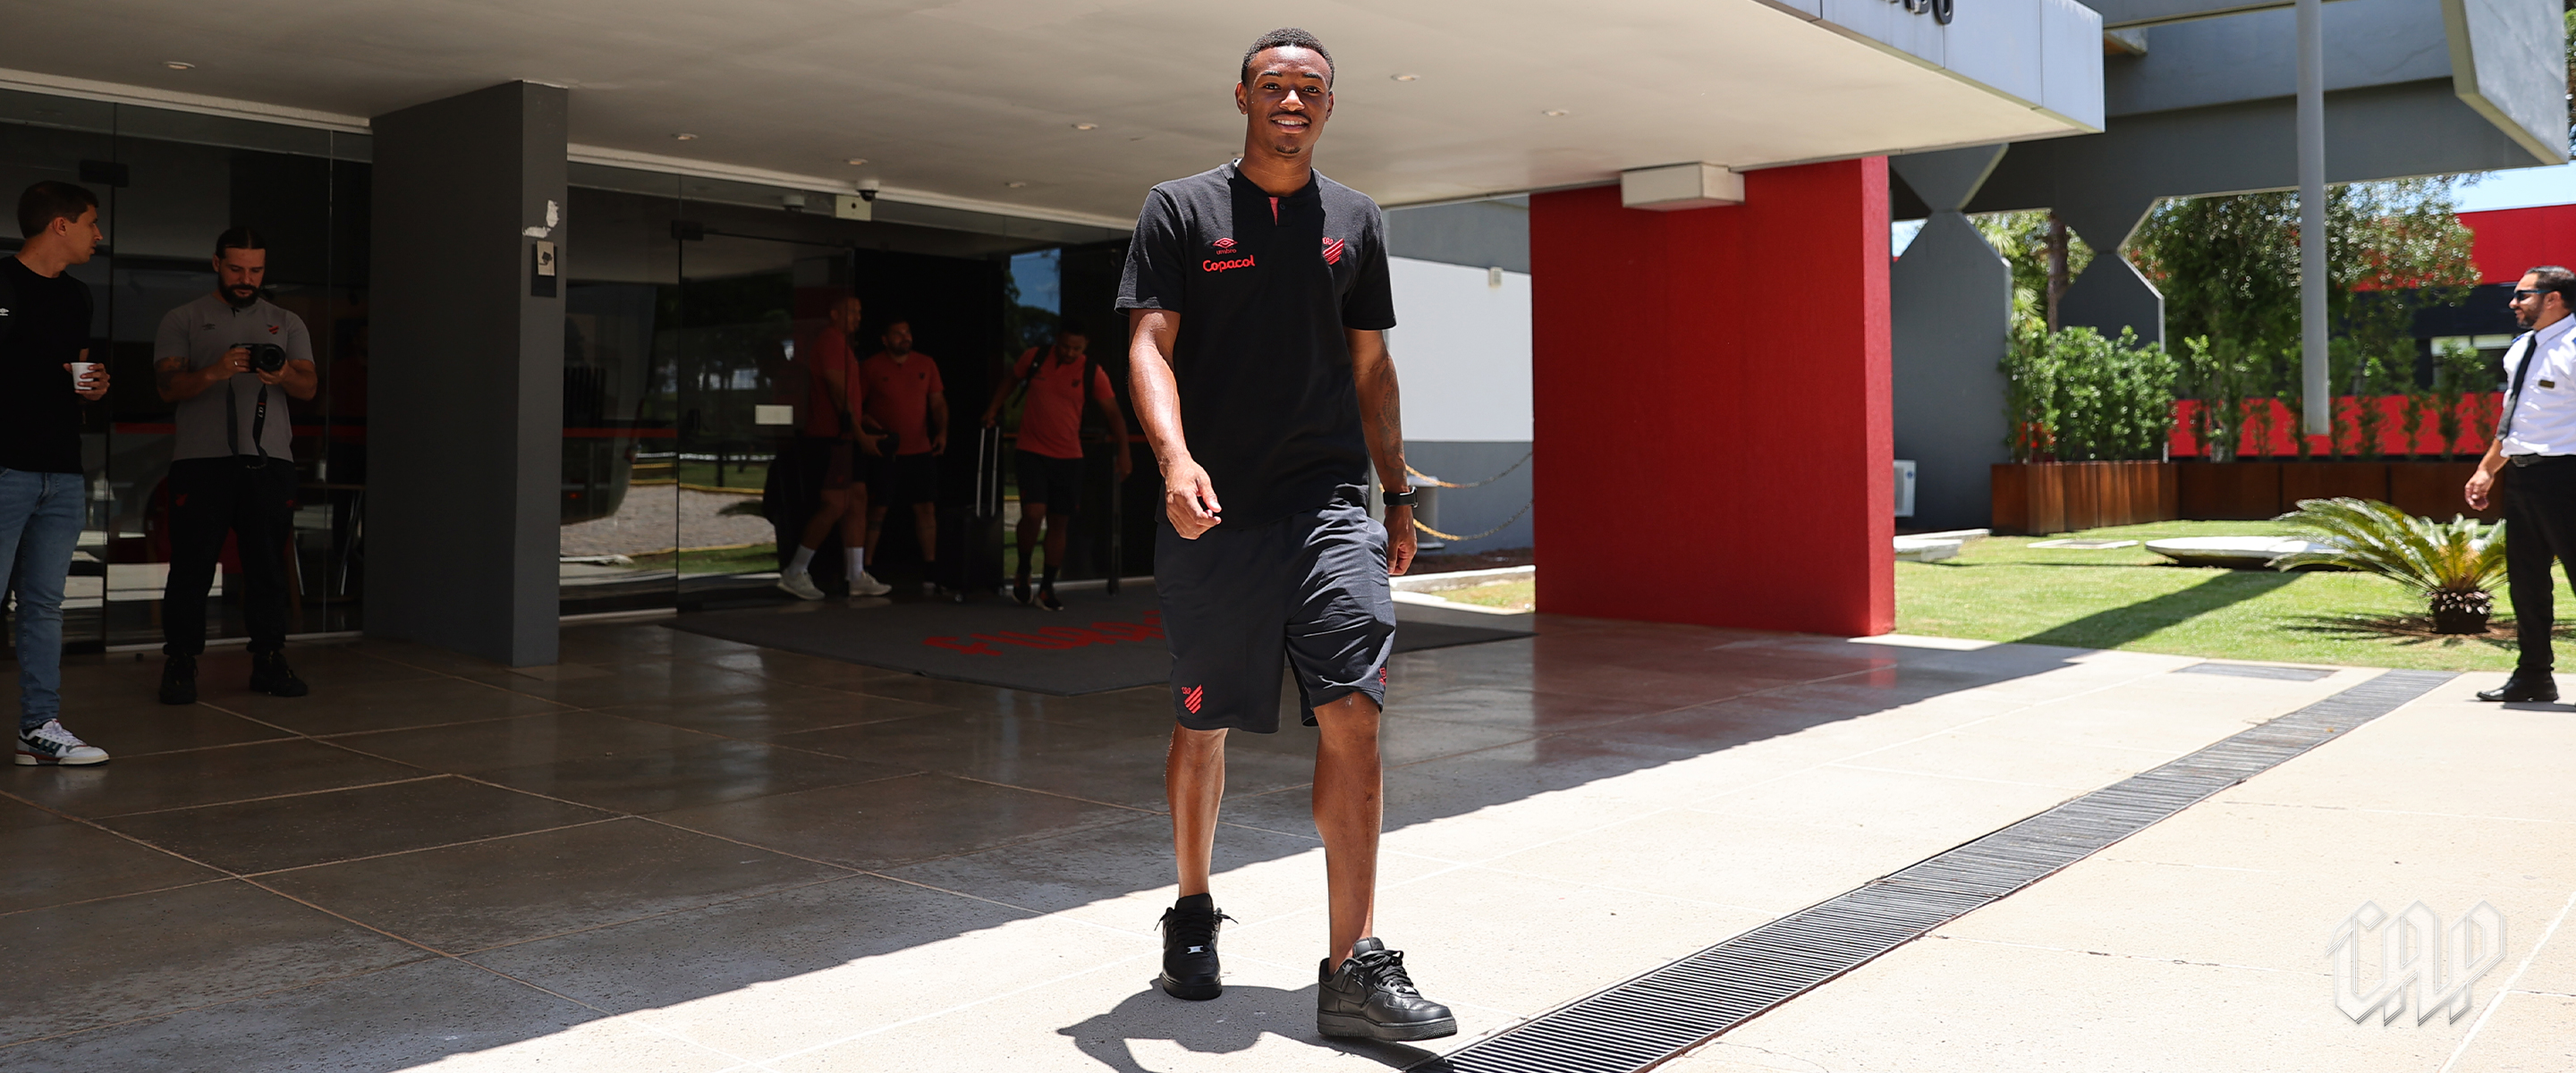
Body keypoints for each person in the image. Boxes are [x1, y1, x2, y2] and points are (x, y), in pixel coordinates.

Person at [1118, 28, 1454, 1042]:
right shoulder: (1180, 209)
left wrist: (1396, 492)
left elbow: (1371, 365)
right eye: (1274, 85)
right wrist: (1175, 460)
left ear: (1329, 106)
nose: (1292, 100)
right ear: (1243, 97)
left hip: (1328, 505)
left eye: (1310, 87)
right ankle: (1192, 909)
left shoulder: (1355, 219)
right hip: (1217, 508)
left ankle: (1352, 966)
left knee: (1354, 709)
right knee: (1203, 722)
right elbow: (1148, 344)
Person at [150, 227, 316, 704]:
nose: (247, 279)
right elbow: (167, 388)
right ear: (217, 264)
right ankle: (181, 662)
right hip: (201, 462)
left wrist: (282, 373)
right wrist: (216, 371)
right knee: (192, 567)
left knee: (267, 568)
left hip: (269, 461)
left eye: (256, 270)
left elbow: (308, 388)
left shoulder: (286, 321)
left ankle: (269, 659)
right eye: (237, 269)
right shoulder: (183, 318)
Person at [3, 182, 113, 765]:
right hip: (5, 468)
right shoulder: (2, 283)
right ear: (60, 225)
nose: (100, 234)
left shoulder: (77, 297)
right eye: (92, 222)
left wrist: (91, 387)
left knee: (44, 606)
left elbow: (74, 371)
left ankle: (37, 728)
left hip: (62, 472)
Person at [2466, 265, 2576, 702]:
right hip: (2525, 476)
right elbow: (2515, 419)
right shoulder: (2520, 349)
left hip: (2568, 475)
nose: (2513, 303)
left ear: (2554, 298)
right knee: (2527, 583)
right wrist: (2487, 469)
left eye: (2523, 295)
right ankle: (2534, 676)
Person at [981, 324, 1131, 610]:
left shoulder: (1092, 372)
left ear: (1085, 346)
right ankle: (1023, 568)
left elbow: (1114, 414)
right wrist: (993, 408)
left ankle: (1047, 587)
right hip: (1031, 451)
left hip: (1069, 457)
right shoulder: (1035, 358)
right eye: (1065, 347)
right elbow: (1011, 381)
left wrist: (1124, 452)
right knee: (1033, 513)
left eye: (1077, 348)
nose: (1070, 353)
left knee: (1059, 522)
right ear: (1057, 341)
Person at [778, 295, 893, 601]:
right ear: (834, 314)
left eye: (860, 312)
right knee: (835, 503)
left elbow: (848, 397)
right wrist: (860, 434)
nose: (858, 317)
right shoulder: (830, 342)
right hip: (832, 437)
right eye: (852, 311)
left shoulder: (843, 345)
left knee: (858, 499)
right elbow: (837, 393)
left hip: (847, 436)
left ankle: (855, 575)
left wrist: (863, 421)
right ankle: (795, 571)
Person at [859, 318, 951, 596]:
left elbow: (938, 402)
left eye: (907, 332)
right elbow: (856, 406)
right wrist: (869, 425)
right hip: (886, 450)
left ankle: (931, 569)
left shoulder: (926, 363)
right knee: (877, 509)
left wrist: (942, 431)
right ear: (885, 339)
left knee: (926, 508)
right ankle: (864, 567)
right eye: (897, 333)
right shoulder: (871, 366)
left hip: (920, 449)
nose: (904, 337)